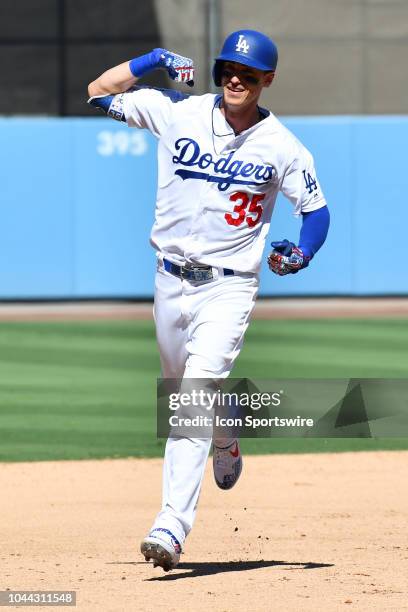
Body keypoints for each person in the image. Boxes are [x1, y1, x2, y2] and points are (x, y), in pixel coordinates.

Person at [87, 29, 330, 571]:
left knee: (190, 398)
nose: (236, 80)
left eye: (248, 73)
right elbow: (98, 92)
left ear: (268, 79)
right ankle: (228, 436)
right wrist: (149, 61)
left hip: (230, 284)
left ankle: (170, 526)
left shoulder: (284, 147)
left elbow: (316, 211)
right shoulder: (179, 112)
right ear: (219, 72)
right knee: (184, 392)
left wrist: (304, 251)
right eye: (228, 70)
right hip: (169, 281)